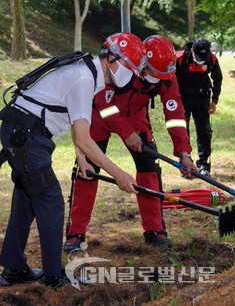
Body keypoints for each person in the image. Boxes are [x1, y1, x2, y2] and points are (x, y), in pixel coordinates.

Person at [0, 32, 145, 288]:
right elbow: (84, 139)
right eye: (129, 68)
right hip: (26, 139)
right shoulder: (83, 77)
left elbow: (77, 124)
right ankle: (55, 276)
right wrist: (118, 174)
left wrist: (84, 160)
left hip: (25, 135)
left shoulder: (88, 73)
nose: (131, 75)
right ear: (112, 58)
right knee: (51, 202)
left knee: (27, 202)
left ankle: (13, 268)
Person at [64, 35, 197, 253]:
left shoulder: (166, 74)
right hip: (100, 116)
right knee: (88, 170)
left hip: (136, 118)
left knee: (149, 167)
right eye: (151, 73)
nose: (155, 79)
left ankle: (155, 230)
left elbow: (175, 113)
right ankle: (76, 233)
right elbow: (103, 103)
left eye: (161, 76)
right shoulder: (124, 62)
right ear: (143, 62)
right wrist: (126, 133)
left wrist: (184, 152)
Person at [175, 38, 223, 176]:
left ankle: (203, 164)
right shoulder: (179, 59)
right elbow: (172, 82)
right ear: (192, 51)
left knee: (204, 131)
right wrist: (176, 102)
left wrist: (214, 100)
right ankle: (185, 163)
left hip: (202, 98)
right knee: (182, 131)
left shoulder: (211, 59)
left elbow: (218, 79)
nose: (201, 59)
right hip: (183, 99)